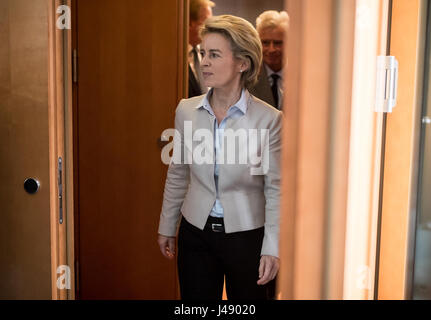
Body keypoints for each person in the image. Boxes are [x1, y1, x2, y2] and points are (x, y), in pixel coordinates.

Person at [157, 15, 282, 300]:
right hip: (196, 233)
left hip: (248, 236)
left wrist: (272, 247)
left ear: (243, 63)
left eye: (214, 55)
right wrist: (167, 226)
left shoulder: (269, 120)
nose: (204, 62)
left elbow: (276, 189)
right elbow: (178, 172)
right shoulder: (186, 110)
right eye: (203, 53)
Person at [249, 10, 289, 110]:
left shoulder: (300, 77)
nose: (271, 49)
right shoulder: (247, 77)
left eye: (278, 43)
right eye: (265, 43)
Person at [188, 0, 215, 98]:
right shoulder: (175, 56)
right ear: (190, 22)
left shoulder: (207, 54)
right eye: (206, 23)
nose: (210, 28)